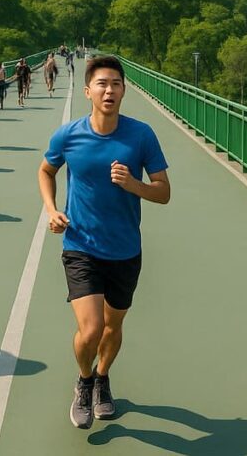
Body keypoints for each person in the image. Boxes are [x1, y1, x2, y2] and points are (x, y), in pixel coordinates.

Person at [38, 55, 171, 430]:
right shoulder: (69, 135)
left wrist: (134, 185)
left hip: (126, 250)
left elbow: (163, 192)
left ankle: (103, 376)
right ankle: (84, 380)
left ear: (124, 90)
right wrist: (51, 210)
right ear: (88, 91)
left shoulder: (141, 135)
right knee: (92, 328)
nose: (109, 90)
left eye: (115, 83)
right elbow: (46, 170)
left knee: (113, 327)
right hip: (81, 246)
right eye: (102, 83)